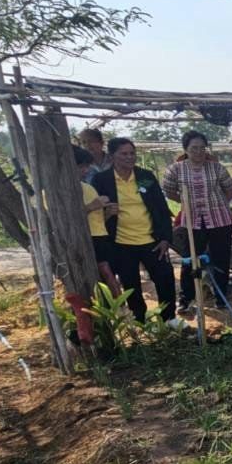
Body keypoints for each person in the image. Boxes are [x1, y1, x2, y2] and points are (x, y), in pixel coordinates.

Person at [90, 137, 181, 327]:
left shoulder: (145, 176)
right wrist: (107, 213)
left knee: (165, 278)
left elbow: (161, 208)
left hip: (152, 240)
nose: (129, 157)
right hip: (121, 243)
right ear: (112, 156)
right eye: (124, 154)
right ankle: (140, 321)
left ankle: (169, 318)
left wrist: (165, 238)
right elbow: (96, 214)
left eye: (132, 153)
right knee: (131, 284)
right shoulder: (101, 180)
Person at [162, 130, 232, 310]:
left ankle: (221, 297)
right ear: (186, 149)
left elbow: (230, 189)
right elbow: (169, 190)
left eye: (202, 148)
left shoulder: (216, 168)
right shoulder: (176, 169)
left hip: (220, 220)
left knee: (220, 258)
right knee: (190, 259)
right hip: (192, 220)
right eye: (194, 148)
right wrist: (185, 202)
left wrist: (219, 205)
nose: (199, 152)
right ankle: (186, 299)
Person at [73, 146, 120, 290]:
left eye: (87, 166)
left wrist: (108, 213)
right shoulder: (55, 192)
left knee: (107, 273)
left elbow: (97, 220)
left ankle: (117, 302)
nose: (86, 171)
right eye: (81, 167)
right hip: (84, 238)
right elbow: (64, 221)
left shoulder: (88, 188)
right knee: (104, 272)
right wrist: (91, 206)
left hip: (101, 237)